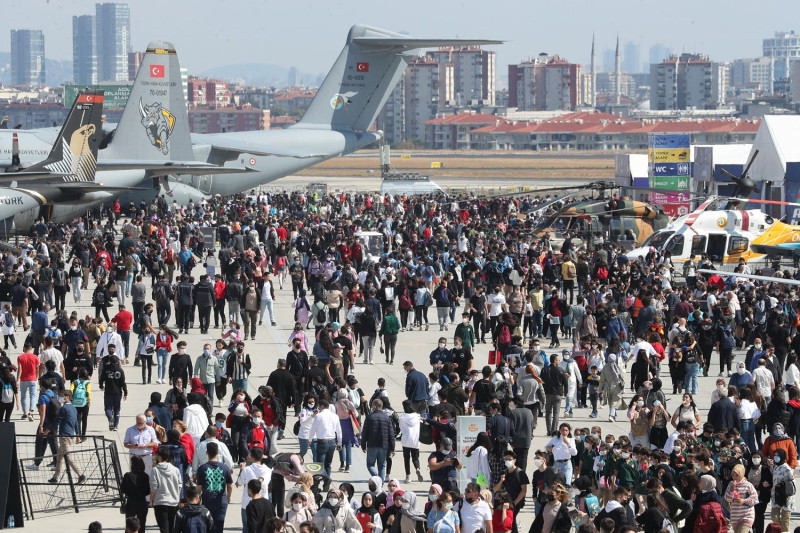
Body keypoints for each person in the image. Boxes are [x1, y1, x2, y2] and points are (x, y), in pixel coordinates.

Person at [48, 389, 86, 484]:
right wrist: (78, 435)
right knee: (60, 456)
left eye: (62, 396)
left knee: (68, 457)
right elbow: (76, 423)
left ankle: (81, 475)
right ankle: (55, 477)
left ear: (67, 397)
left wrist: (47, 431)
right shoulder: (73, 408)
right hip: (69, 435)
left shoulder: (64, 408)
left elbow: (58, 421)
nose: (61, 398)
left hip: (64, 435)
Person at [195, 441, 234, 533]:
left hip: (207, 500)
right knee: (219, 526)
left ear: (207, 453)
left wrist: (198, 498)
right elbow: (230, 485)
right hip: (221, 501)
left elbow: (199, 487)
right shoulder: (224, 468)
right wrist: (228, 497)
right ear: (218, 452)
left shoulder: (202, 468)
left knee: (207, 526)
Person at [493, 450, 528, 533]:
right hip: (505, 503)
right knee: (508, 522)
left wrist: (514, 503)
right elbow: (495, 489)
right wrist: (501, 481)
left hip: (516, 502)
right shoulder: (503, 472)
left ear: (514, 460)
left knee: (511, 521)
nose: (507, 461)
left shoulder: (520, 473)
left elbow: (524, 490)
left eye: (509, 459)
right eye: (505, 460)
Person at [362, 398, 395, 483]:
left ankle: (377, 478)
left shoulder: (369, 417)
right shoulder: (387, 418)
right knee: (382, 466)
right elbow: (391, 433)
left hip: (372, 445)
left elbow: (364, 432)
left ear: (375, 406)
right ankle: (380, 482)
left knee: (370, 465)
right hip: (384, 445)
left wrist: (363, 444)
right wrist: (392, 447)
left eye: (372, 405)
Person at [150, 447, 182, 533]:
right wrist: (178, 499)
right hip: (173, 502)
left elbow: (154, 487)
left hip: (160, 502)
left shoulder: (155, 470)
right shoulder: (176, 470)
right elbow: (179, 486)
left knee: (163, 528)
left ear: (159, 457)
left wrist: (151, 499)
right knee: (172, 528)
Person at [309, 398, 342, 478]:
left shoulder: (319, 416)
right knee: (328, 464)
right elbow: (339, 431)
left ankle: (326, 479)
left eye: (319, 406)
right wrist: (339, 443)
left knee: (319, 464)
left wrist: (310, 439)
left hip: (322, 441)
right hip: (332, 441)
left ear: (322, 406)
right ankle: (327, 482)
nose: (318, 408)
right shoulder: (335, 416)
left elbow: (313, 429)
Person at [121, 456, 151, 533]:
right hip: (142, 503)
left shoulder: (128, 475)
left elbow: (122, 489)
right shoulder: (145, 476)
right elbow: (148, 491)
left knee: (129, 525)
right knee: (142, 525)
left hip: (131, 503)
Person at [99, 354, 128, 431]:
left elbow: (101, 379)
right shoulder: (120, 370)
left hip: (108, 391)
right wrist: (125, 393)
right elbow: (123, 383)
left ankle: (110, 418)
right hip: (117, 392)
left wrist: (101, 386)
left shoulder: (106, 369)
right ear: (117, 361)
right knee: (117, 409)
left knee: (108, 408)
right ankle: (115, 425)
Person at [770, 448, 795, 532]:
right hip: (776, 496)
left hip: (786, 497)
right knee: (774, 517)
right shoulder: (774, 466)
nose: (776, 457)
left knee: (785, 519)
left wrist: (781, 485)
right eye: (775, 455)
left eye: (778, 456)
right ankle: (780, 529)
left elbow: (792, 481)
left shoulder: (787, 468)